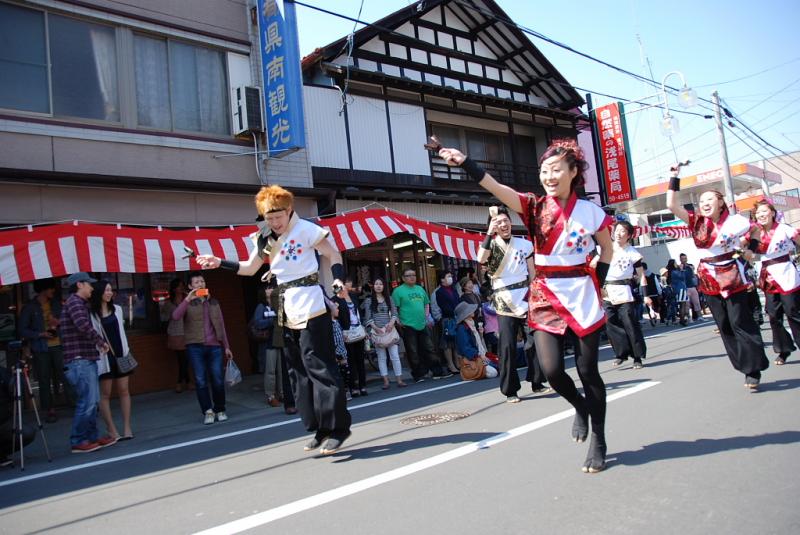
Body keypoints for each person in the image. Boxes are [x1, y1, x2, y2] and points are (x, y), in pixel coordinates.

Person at [433, 137, 614, 473]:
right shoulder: (533, 206)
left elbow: (607, 250)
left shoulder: (592, 212)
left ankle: (599, 440)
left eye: (556, 169)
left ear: (573, 172)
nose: (549, 176)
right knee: (552, 369)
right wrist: (466, 162)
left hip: (582, 292)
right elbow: (495, 187)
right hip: (545, 293)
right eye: (544, 170)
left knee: (589, 371)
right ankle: (579, 405)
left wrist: (598, 283)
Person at [196, 185, 351, 455]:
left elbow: (333, 254)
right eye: (269, 218)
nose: (275, 223)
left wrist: (337, 278)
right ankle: (319, 428)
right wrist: (219, 261)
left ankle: (338, 428)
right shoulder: (264, 237)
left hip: (311, 302)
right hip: (284, 305)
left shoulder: (306, 229)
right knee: (297, 371)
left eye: (278, 217)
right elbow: (249, 269)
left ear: (289, 210)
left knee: (320, 367)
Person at [665, 164, 768, 389]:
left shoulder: (736, 221)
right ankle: (744, 364)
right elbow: (671, 204)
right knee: (724, 324)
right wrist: (674, 176)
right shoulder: (696, 222)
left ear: (720, 202)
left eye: (710, 199)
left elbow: (756, 231)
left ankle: (753, 369)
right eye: (702, 201)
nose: (705, 203)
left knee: (740, 321)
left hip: (732, 275)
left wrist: (751, 249)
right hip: (708, 278)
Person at [477, 205, 546, 403]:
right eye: (498, 222)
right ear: (493, 226)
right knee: (507, 346)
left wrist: (537, 294)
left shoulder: (524, 244)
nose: (503, 224)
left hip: (525, 296)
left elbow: (532, 272)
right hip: (504, 300)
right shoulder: (490, 246)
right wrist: (489, 234)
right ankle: (510, 390)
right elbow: (481, 258)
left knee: (535, 341)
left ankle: (537, 381)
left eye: (505, 220)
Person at [59, 272, 116, 453]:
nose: (92, 288)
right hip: (79, 359)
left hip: (83, 358)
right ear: (79, 285)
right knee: (87, 401)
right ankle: (79, 440)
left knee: (92, 400)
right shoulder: (75, 303)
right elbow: (83, 325)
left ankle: (92, 437)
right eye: (89, 284)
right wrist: (100, 342)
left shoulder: (78, 303)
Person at [171, 272, 233, 424]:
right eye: (196, 282)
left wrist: (226, 346)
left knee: (217, 379)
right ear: (190, 286)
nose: (200, 284)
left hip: (214, 346)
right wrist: (187, 299)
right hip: (194, 346)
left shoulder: (213, 302)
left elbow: (221, 325)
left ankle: (220, 409)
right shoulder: (187, 303)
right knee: (200, 380)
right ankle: (208, 411)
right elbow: (175, 316)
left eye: (202, 281)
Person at [751, 200, 800, 365]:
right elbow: (744, 249)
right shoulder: (755, 232)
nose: (761, 215)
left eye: (764, 211)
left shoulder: (784, 228)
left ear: (772, 213)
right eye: (758, 213)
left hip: (786, 273)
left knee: (792, 311)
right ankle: (784, 349)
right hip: (768, 276)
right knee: (773, 315)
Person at [598, 221, 647, 369]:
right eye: (616, 230)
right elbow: (595, 265)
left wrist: (646, 295)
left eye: (622, 231)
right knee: (610, 322)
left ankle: (637, 357)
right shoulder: (605, 248)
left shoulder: (633, 253)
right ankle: (621, 353)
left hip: (624, 291)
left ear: (629, 235)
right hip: (606, 291)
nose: (618, 234)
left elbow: (641, 275)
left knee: (630, 324)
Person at [90, 279, 134, 441]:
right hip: (104, 357)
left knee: (124, 390)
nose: (109, 293)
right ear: (99, 293)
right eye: (106, 290)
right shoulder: (92, 314)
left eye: (110, 290)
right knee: (105, 394)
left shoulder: (117, 309)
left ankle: (127, 427)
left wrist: (126, 349)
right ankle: (112, 429)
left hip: (121, 354)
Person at [19, 278, 66, 423]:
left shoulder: (56, 304)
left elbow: (66, 320)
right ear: (44, 289)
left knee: (66, 374)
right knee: (44, 378)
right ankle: (49, 409)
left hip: (58, 345)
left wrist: (58, 322)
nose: (53, 291)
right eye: (51, 288)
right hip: (40, 347)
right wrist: (40, 334)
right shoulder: (30, 307)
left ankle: (75, 402)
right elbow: (22, 330)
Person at [391, 268, 451, 383]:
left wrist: (426, 317)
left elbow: (426, 304)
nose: (412, 277)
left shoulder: (420, 289)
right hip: (407, 325)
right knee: (413, 351)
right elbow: (394, 309)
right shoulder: (398, 291)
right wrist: (399, 322)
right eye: (408, 275)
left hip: (422, 323)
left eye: (413, 275)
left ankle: (437, 371)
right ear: (403, 278)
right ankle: (419, 374)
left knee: (429, 348)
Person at [363, 278, 406, 389]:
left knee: (395, 356)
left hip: (390, 331)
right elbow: (368, 317)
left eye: (381, 284)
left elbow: (394, 313)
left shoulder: (389, 299)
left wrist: (391, 323)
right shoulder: (369, 301)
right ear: (373, 286)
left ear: (384, 286)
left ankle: (399, 380)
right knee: (381, 358)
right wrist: (376, 328)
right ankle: (386, 382)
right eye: (376, 284)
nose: (378, 286)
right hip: (378, 332)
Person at [333, 284, 368, 397]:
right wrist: (341, 332)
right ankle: (354, 387)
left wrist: (363, 327)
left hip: (358, 330)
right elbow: (336, 317)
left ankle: (363, 386)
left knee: (360, 359)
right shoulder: (335, 300)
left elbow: (359, 313)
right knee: (350, 360)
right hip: (346, 333)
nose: (345, 288)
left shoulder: (353, 296)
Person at [252, 284, 283, 407]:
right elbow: (258, 323)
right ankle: (271, 396)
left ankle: (282, 393)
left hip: (280, 340)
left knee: (281, 370)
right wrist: (273, 320)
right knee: (270, 371)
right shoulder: (261, 306)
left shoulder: (279, 304)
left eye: (272, 287)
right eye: (267, 288)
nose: (270, 290)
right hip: (268, 343)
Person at [454, 302, 498, 379]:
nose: (473, 311)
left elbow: (476, 343)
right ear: (466, 314)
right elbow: (466, 348)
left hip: (480, 357)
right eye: (469, 310)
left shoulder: (470, 324)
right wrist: (478, 355)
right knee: (493, 372)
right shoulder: (462, 328)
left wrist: (480, 334)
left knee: (501, 365)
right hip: (473, 360)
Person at [161, 278, 191, 393]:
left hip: (188, 331)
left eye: (182, 285)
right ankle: (184, 382)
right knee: (181, 358)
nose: (181, 288)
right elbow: (165, 316)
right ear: (174, 289)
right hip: (175, 332)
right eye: (179, 286)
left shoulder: (187, 299)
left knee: (185, 359)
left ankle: (183, 382)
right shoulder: (169, 303)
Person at [433, 270, 461, 374]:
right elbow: (443, 306)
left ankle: (457, 363)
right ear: (442, 279)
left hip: (456, 317)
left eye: (451, 276)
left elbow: (458, 301)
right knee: (447, 342)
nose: (451, 278)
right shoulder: (439, 292)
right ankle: (450, 364)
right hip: (447, 318)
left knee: (456, 341)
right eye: (448, 276)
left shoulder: (453, 289)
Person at [679, 254, 703, 321]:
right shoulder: (679, 267)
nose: (684, 260)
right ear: (680, 259)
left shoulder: (689, 267)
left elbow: (693, 276)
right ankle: (689, 317)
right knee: (687, 304)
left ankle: (700, 316)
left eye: (685, 258)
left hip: (692, 286)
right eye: (683, 258)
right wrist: (681, 270)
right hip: (685, 288)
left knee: (697, 302)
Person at [665, 259, 689, 326]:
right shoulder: (675, 272)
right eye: (675, 263)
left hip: (678, 288)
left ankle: (682, 319)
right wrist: (681, 270)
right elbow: (682, 277)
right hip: (681, 288)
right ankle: (682, 320)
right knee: (682, 304)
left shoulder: (671, 272)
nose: (677, 264)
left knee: (682, 304)